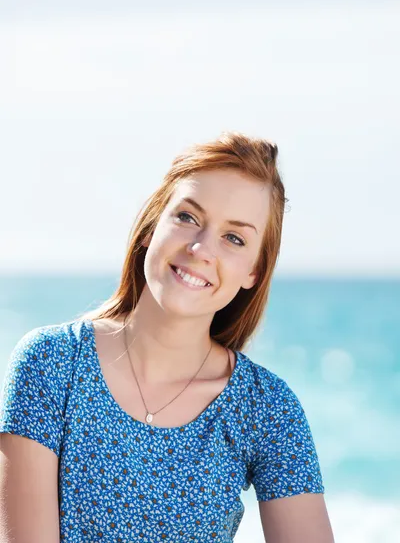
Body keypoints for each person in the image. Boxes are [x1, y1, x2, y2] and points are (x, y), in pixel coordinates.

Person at [0, 132, 335, 542]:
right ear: (151, 226)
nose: (200, 248)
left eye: (234, 238)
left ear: (254, 272)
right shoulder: (52, 362)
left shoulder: (267, 408)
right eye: (188, 217)